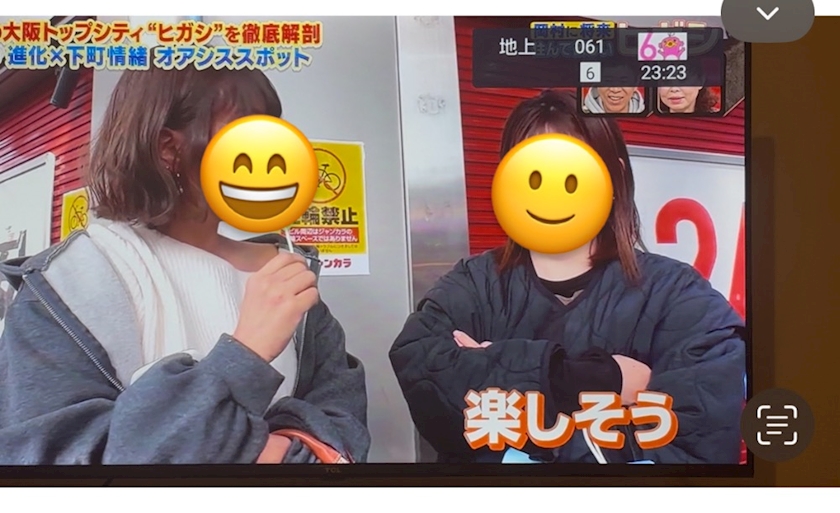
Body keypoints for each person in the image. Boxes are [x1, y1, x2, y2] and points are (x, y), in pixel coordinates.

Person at [0, 67, 370, 465]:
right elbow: (51, 460)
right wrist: (245, 355)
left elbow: (343, 433)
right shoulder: (65, 288)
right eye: (246, 132)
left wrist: (264, 454)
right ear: (169, 148)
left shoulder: (288, 278)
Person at [390, 89, 745, 464]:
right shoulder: (474, 284)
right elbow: (425, 377)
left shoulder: (679, 297)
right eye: (531, 174)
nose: (551, 193)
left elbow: (695, 446)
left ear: (614, 177)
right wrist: (592, 379)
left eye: (570, 174)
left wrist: (497, 377)